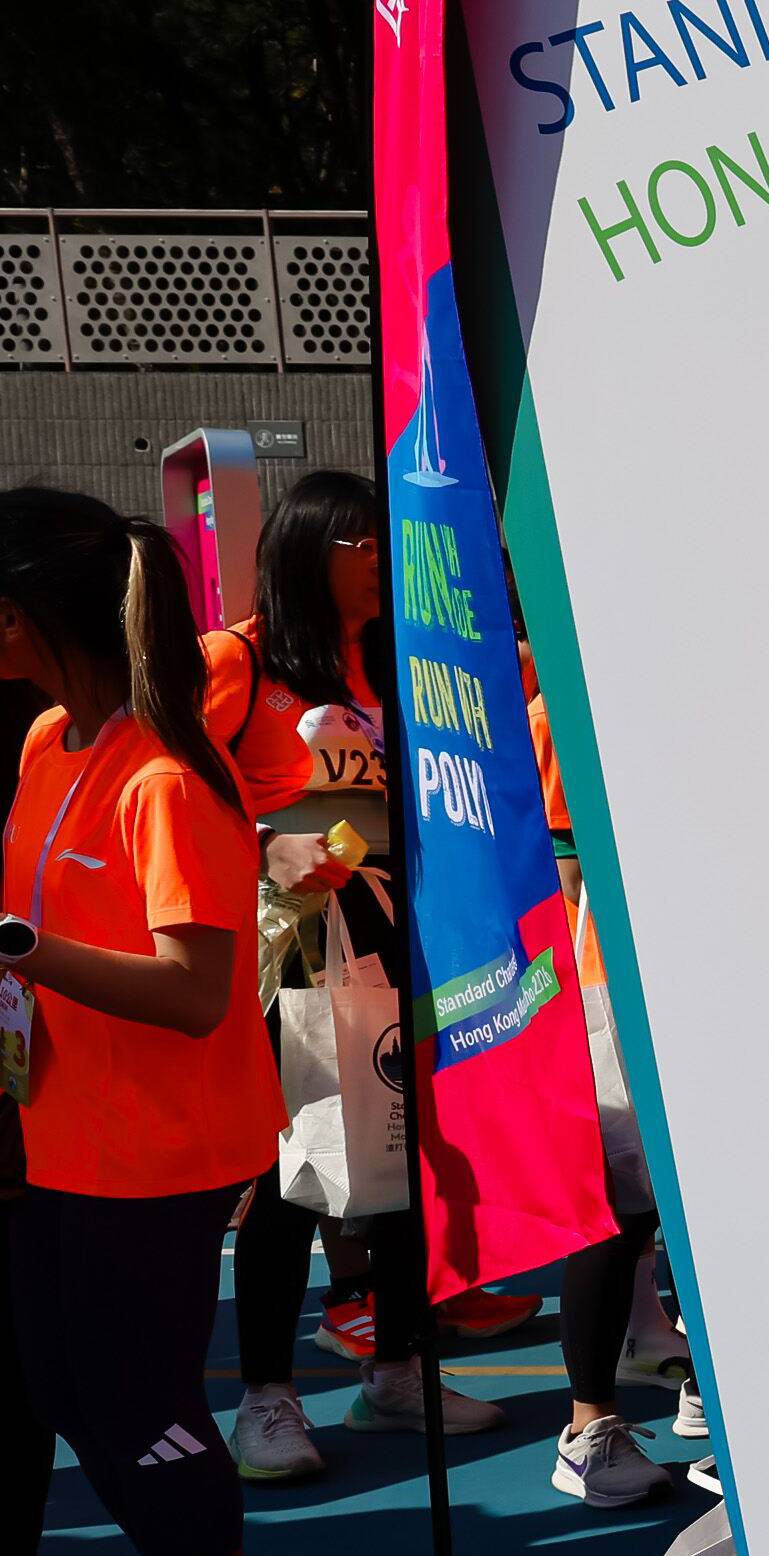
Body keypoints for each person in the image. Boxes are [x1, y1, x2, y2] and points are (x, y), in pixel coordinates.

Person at [0, 487, 285, 1556]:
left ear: (20, 617)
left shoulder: (166, 779)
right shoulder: (48, 740)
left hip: (161, 1153)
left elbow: (193, 991)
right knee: (67, 1393)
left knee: (138, 1409)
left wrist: (19, 950)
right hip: (62, 1135)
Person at [201, 470, 501, 1482]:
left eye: (384, 543)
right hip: (288, 947)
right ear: (307, 547)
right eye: (362, 543)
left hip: (392, 938)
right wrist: (262, 848)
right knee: (293, 1175)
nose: (381, 561)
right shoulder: (237, 658)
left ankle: (400, 1369)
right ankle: (267, 1396)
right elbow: (168, 793)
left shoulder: (394, 663)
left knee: (403, 1160)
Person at [527, 644, 672, 1506]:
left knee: (667, 1208)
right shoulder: (562, 716)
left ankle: (702, 1385)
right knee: (616, 1208)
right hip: (613, 988)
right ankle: (589, 1426)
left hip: (681, 979)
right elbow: (567, 872)